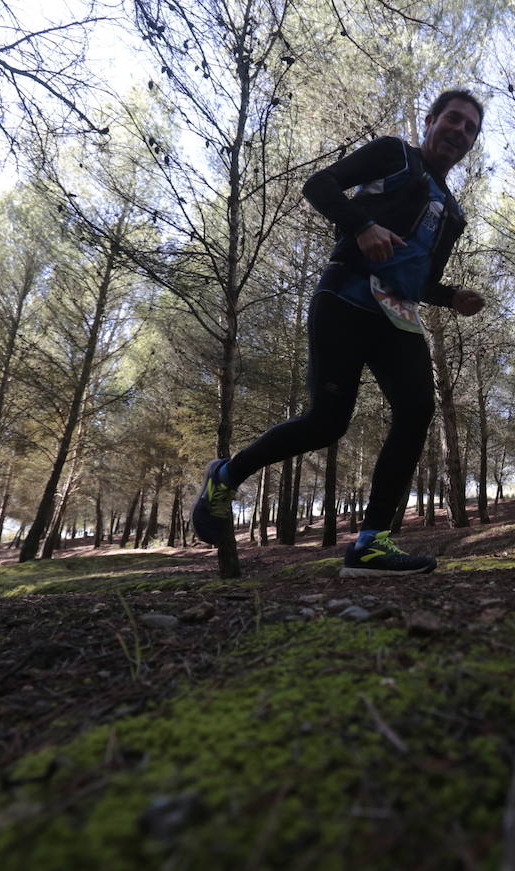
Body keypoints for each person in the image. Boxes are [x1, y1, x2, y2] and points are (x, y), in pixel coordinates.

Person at [192, 90, 488, 577]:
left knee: (417, 411)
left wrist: (451, 296)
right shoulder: (395, 154)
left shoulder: (454, 214)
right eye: (453, 119)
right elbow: (318, 185)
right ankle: (226, 475)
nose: (460, 131)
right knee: (327, 422)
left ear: (472, 143)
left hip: (397, 316)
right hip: (345, 297)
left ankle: (371, 544)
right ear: (431, 120)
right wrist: (363, 224)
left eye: (470, 128)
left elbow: (419, 279)